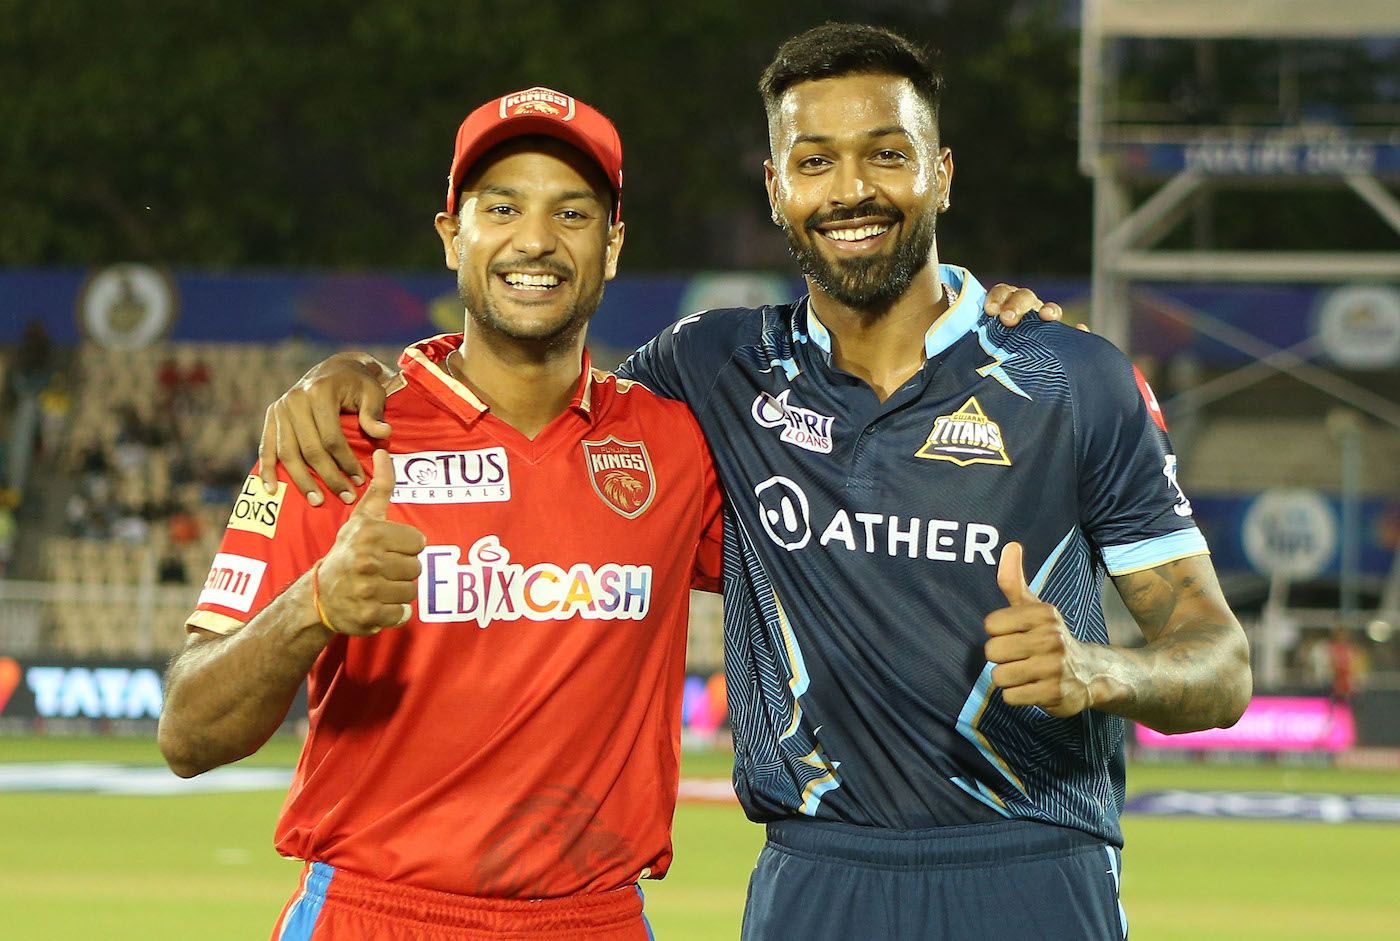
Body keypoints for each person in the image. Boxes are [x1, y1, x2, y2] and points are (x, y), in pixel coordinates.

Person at [261, 25, 1246, 941]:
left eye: (885, 153)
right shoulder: (714, 366)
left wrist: (1100, 670)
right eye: (814, 161)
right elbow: (529, 385)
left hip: (1032, 865)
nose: (850, 188)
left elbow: (1218, 661)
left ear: (939, 173)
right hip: (815, 873)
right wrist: (366, 374)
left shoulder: (1070, 379)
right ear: (776, 188)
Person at [159, 89, 736, 940]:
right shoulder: (342, 437)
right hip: (376, 915)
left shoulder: (675, 445)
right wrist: (312, 606)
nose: (534, 240)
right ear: (450, 236)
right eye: (501, 207)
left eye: (570, 212)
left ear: (613, 246)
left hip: (594, 920)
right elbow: (186, 733)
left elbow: (848, 552)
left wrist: (980, 328)